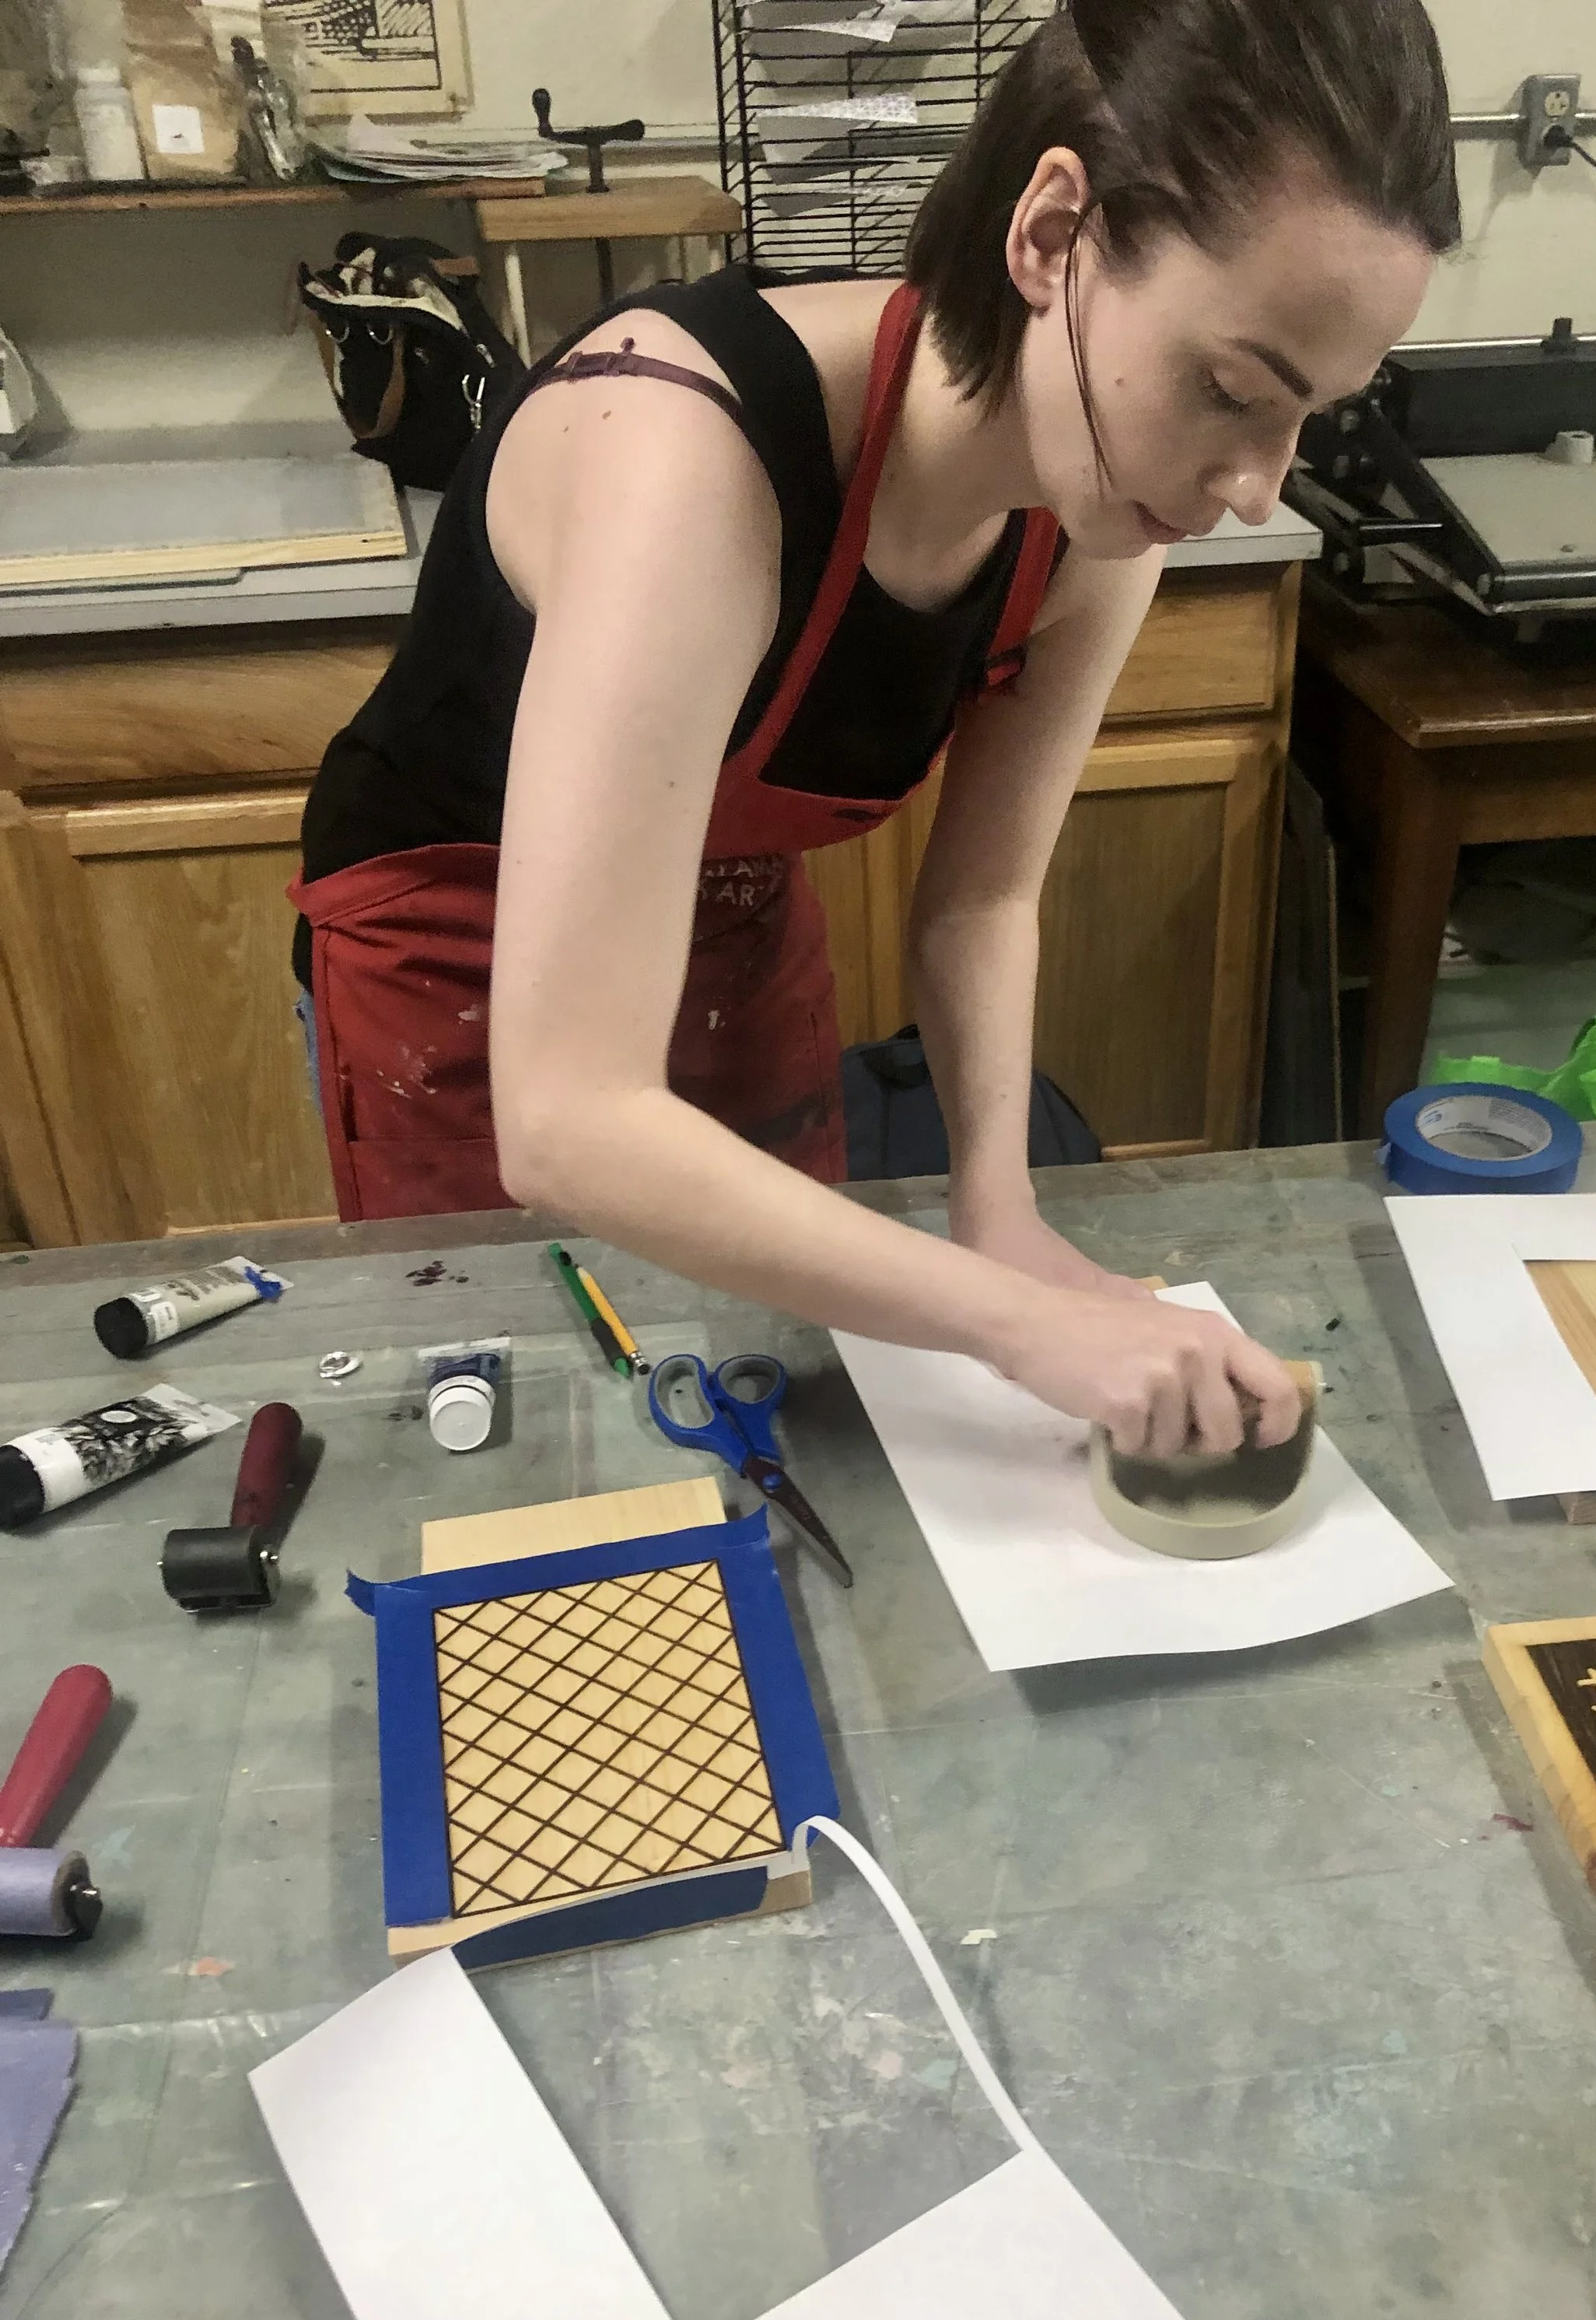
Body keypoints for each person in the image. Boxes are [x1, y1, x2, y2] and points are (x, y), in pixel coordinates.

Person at [293, 0, 1458, 1458]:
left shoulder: (1100, 506)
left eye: (1311, 420)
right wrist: (1023, 1325)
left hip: (735, 934)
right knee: (530, 1459)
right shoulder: (690, 459)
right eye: (1228, 390)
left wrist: (1002, 1218)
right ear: (1051, 234)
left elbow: (981, 899)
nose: (1252, 486)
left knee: (787, 1422)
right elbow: (570, 1113)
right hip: (456, 971)